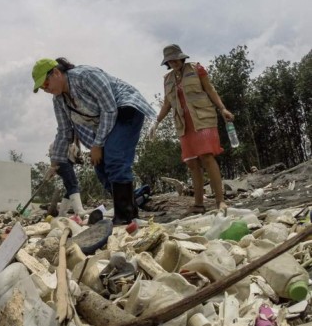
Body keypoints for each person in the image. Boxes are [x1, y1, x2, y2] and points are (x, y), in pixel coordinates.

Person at [32, 57, 156, 225]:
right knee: (100, 166)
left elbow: (109, 109)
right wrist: (56, 161)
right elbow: (64, 131)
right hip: (105, 123)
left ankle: (125, 218)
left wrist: (97, 145)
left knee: (114, 157)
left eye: (46, 84)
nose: (46, 90)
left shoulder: (86, 76)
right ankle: (131, 204)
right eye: (42, 88)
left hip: (125, 110)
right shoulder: (59, 100)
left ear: (56, 73)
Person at [150, 44, 234, 213]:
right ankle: (199, 204)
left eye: (175, 59)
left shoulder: (197, 69)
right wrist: (157, 122)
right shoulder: (167, 80)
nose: (173, 62)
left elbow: (210, 89)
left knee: (207, 157)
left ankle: (220, 201)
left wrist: (222, 108)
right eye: (169, 60)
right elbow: (167, 103)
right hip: (183, 123)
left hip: (202, 118)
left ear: (181, 57)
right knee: (192, 163)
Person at [46, 137, 86, 218]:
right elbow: (58, 152)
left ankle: (62, 214)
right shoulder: (67, 138)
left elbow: (77, 156)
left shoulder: (74, 141)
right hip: (62, 161)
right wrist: (53, 166)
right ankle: (79, 211)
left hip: (63, 162)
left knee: (70, 188)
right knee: (73, 184)